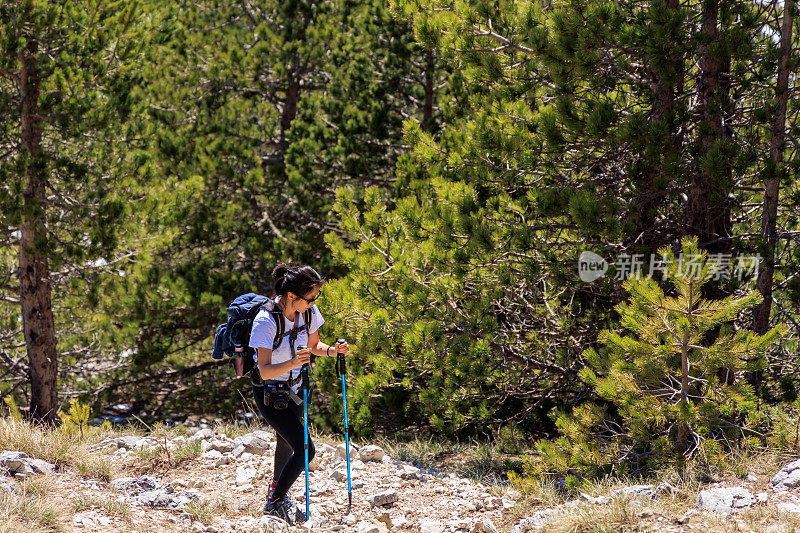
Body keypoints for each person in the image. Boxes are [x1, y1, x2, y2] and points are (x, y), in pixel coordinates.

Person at [249, 263, 350, 523]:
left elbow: (314, 345)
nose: (314, 302)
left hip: (296, 389)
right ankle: (275, 502)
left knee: (286, 441)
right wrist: (294, 362)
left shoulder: (308, 312)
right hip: (270, 394)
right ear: (292, 296)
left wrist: (333, 351)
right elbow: (264, 371)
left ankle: (276, 489)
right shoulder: (265, 320)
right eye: (311, 297)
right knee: (306, 450)